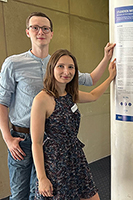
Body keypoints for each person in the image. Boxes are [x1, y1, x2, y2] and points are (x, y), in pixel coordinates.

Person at [0, 12, 115, 200]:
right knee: (20, 194)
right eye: (35, 27)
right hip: (21, 139)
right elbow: (2, 102)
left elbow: (91, 81)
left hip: (51, 142)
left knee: (41, 193)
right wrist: (7, 139)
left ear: (51, 33)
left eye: (45, 28)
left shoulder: (60, 64)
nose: (40, 32)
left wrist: (106, 60)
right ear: (28, 32)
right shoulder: (13, 64)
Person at [31, 49, 116, 199]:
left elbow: (93, 95)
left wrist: (110, 77)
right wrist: (42, 178)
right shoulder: (42, 99)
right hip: (56, 160)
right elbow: (36, 143)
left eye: (71, 67)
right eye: (61, 66)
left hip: (76, 156)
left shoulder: (70, 94)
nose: (66, 71)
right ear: (52, 68)